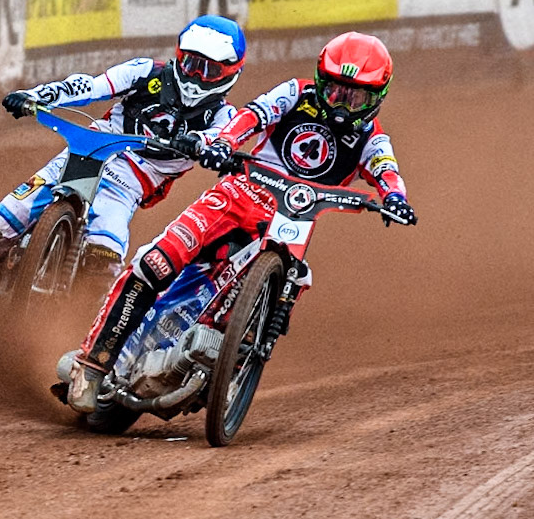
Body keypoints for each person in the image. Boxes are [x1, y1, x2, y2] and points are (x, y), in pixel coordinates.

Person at [60, 31, 419, 413]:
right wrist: (223, 143)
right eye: (334, 91)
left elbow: (386, 169)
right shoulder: (295, 93)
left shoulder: (372, 138)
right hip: (238, 193)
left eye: (356, 97)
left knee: (296, 277)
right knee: (158, 262)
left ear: (376, 98)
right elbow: (253, 114)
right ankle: (92, 365)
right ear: (319, 80)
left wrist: (396, 199)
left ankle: (234, 359)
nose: (343, 106)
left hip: (290, 219)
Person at [0, 15, 248, 357]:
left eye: (209, 70)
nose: (197, 76)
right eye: (192, 64)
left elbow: (222, 140)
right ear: (179, 56)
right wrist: (37, 96)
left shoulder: (224, 119)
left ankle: (78, 345)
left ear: (229, 75)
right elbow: (90, 86)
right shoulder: (145, 72)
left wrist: (202, 145)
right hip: (88, 150)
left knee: (103, 257)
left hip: (129, 183)